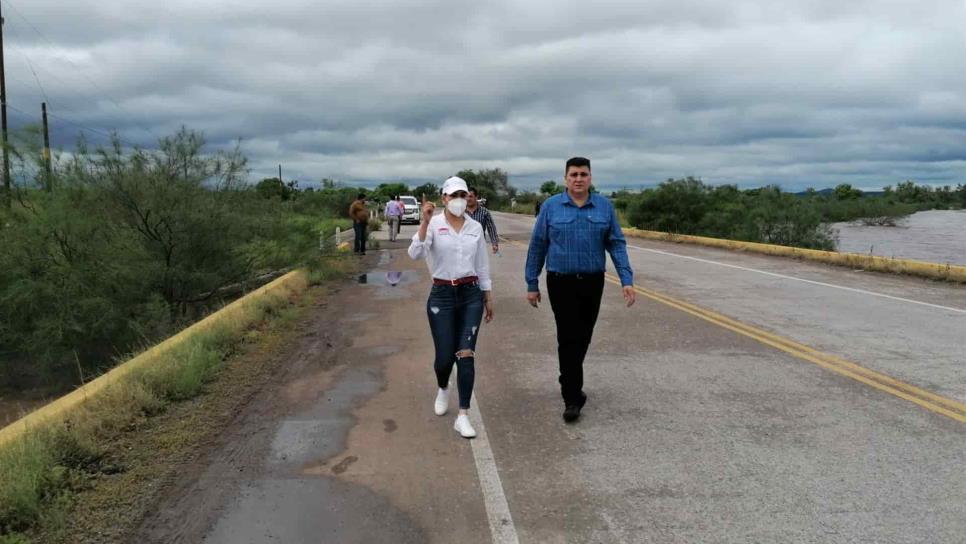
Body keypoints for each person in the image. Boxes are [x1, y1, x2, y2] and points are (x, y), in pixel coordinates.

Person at [524, 157, 635, 423]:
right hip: (560, 282)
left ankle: (568, 377)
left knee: (583, 336)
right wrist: (532, 283)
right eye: (573, 174)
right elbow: (538, 245)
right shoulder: (551, 207)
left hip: (592, 282)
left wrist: (626, 279)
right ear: (565, 178)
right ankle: (572, 397)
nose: (578, 179)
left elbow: (616, 244)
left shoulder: (604, 207)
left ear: (590, 178)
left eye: (583, 174)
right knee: (568, 336)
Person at [408, 176, 494, 438]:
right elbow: (415, 253)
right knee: (445, 357)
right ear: (444, 198)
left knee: (465, 353)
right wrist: (423, 221)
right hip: (442, 295)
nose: (459, 200)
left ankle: (463, 415)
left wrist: (487, 297)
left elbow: (481, 265)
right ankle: (443, 387)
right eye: (454, 195)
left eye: (463, 195)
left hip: (470, 295)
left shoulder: (474, 228)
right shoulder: (433, 224)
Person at [466, 187, 499, 254]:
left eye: (470, 196)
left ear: (476, 197)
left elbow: (491, 228)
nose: (468, 199)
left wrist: (494, 243)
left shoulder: (484, 212)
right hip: (464, 246)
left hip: (480, 246)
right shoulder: (461, 212)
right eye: (466, 197)